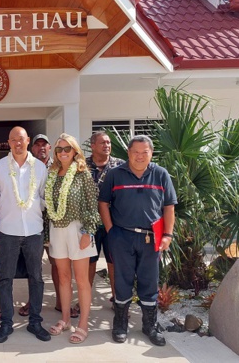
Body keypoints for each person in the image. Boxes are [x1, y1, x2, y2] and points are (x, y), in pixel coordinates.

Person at [98, 135, 176, 347]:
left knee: (149, 282)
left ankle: (150, 325)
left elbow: (169, 207)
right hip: (121, 236)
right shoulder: (115, 174)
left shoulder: (161, 175)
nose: (140, 156)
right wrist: (111, 231)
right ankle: (120, 324)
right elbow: (103, 203)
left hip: (152, 238)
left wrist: (168, 235)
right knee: (122, 282)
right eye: (135, 152)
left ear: (151, 153)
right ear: (128, 153)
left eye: (145, 152)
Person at [0, 127, 50, 343]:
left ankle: (35, 321)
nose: (17, 143)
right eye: (13, 139)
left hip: (34, 231)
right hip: (8, 232)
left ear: (28, 141)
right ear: (8, 142)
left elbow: (43, 197)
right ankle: (6, 323)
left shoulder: (40, 168)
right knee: (5, 279)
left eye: (21, 139)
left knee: (36, 278)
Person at [45, 134, 100, 344]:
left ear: (75, 151)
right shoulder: (52, 175)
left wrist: (88, 232)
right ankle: (66, 319)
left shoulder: (83, 174)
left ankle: (83, 323)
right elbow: (47, 208)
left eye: (67, 148)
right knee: (63, 277)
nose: (63, 152)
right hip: (57, 230)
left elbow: (92, 206)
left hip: (78, 230)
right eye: (59, 149)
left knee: (82, 280)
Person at [18, 133, 62, 318]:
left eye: (45, 145)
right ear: (31, 147)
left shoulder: (60, 167)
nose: (41, 148)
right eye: (37, 145)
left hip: (55, 224)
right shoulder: (25, 168)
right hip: (33, 224)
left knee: (57, 264)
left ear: (50, 148)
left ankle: (61, 301)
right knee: (33, 266)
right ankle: (33, 301)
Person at [85, 131, 124, 306]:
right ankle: (85, 301)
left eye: (108, 142)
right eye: (102, 143)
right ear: (93, 145)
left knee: (113, 262)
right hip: (90, 224)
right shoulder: (82, 166)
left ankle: (117, 299)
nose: (107, 145)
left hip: (114, 223)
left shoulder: (120, 166)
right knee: (89, 263)